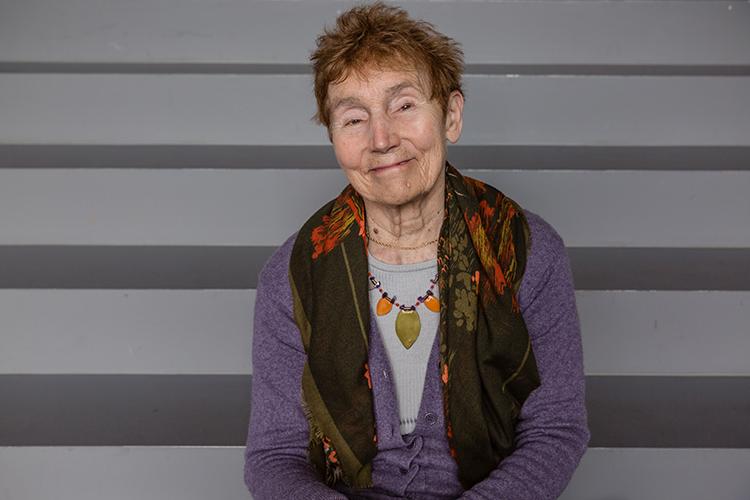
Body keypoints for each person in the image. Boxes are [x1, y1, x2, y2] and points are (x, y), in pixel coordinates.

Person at [244, 3, 589, 498]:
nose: (381, 139)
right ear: (333, 137)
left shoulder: (525, 252)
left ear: (451, 116)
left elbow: (555, 430)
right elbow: (274, 457)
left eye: (403, 106)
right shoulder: (292, 276)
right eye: (354, 118)